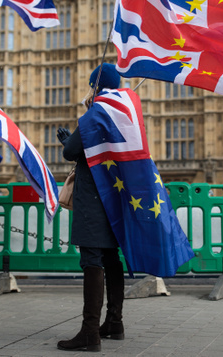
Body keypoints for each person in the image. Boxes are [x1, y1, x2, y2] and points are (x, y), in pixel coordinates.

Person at [56, 63, 126, 352]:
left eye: (91, 86)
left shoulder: (97, 112)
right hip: (116, 196)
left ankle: (89, 332)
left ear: (96, 87)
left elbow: (72, 151)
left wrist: (69, 138)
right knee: (111, 258)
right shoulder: (124, 113)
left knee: (93, 259)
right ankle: (114, 322)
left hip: (94, 197)